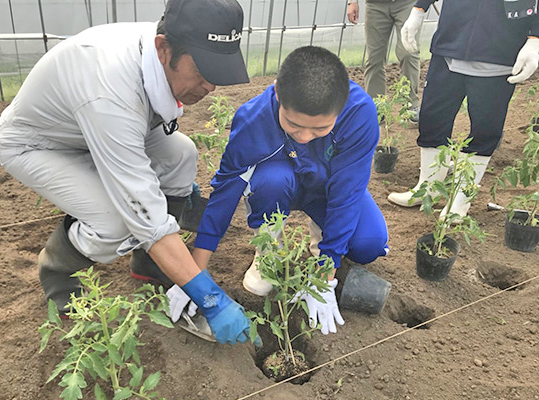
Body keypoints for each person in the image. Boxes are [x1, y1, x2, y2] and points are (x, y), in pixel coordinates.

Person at [0, 0, 260, 346]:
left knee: (181, 154)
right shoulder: (109, 89)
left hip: (89, 127)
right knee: (116, 223)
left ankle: (150, 264)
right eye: (202, 71)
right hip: (40, 144)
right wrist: (211, 299)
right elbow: (144, 217)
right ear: (164, 49)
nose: (210, 86)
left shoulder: (157, 49)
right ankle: (58, 272)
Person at [167, 46, 390, 336]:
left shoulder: (359, 113)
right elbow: (225, 192)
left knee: (368, 244)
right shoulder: (253, 118)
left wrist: (327, 272)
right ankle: (269, 251)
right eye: (294, 126)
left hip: (329, 189)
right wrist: (194, 274)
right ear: (276, 92)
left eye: (320, 129)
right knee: (271, 179)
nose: (306, 136)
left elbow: (348, 192)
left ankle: (320, 239)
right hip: (280, 187)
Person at [388, 0, 539, 218]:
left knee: (485, 128)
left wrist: (535, 38)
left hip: (499, 49)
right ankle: (427, 189)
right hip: (451, 40)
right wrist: (419, 8)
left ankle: (460, 200)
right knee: (432, 118)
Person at [346, 0, 421, 122]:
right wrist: (352, 2)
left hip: (407, 4)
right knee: (374, 58)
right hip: (376, 5)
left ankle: (410, 105)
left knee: (409, 53)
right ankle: (376, 107)